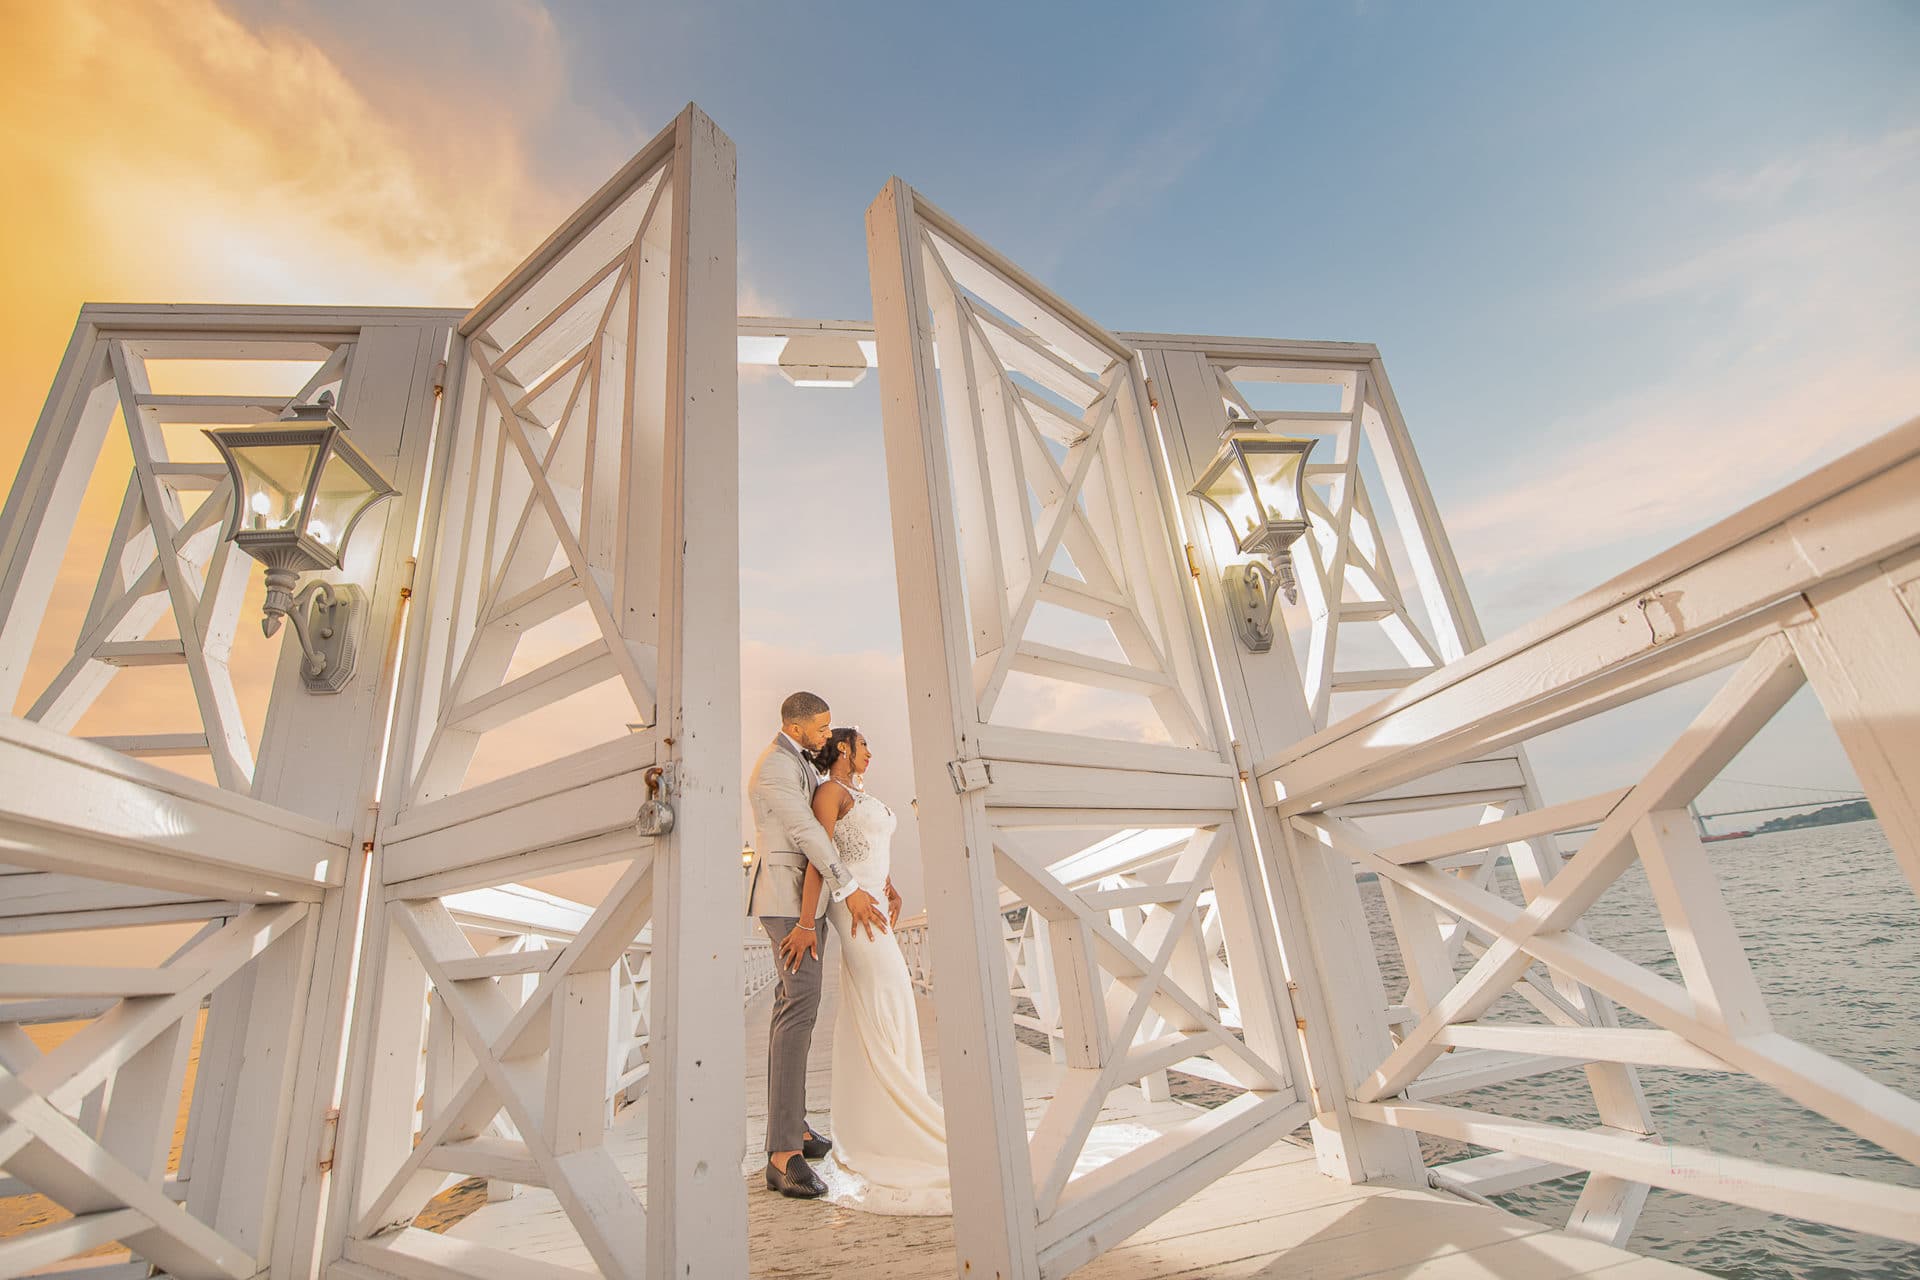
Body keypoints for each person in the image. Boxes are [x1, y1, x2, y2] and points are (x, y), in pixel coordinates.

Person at [781, 726, 950, 1215]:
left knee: (891, 999)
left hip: (875, 898)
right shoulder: (830, 792)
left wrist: (891, 885)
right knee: (886, 996)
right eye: (864, 746)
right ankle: (892, 1118)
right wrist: (806, 921)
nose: (870, 752)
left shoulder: (860, 794)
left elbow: (868, 847)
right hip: (851, 905)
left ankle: (895, 1103)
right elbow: (820, 856)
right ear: (843, 751)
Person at [746, 691, 891, 1198]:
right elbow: (808, 832)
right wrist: (847, 891)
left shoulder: (798, 762)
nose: (828, 737)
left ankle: (797, 1127)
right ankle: (782, 1154)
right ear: (798, 725)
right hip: (788, 905)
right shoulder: (774, 768)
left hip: (802, 902)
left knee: (798, 1008)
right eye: (823, 730)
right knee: (797, 1010)